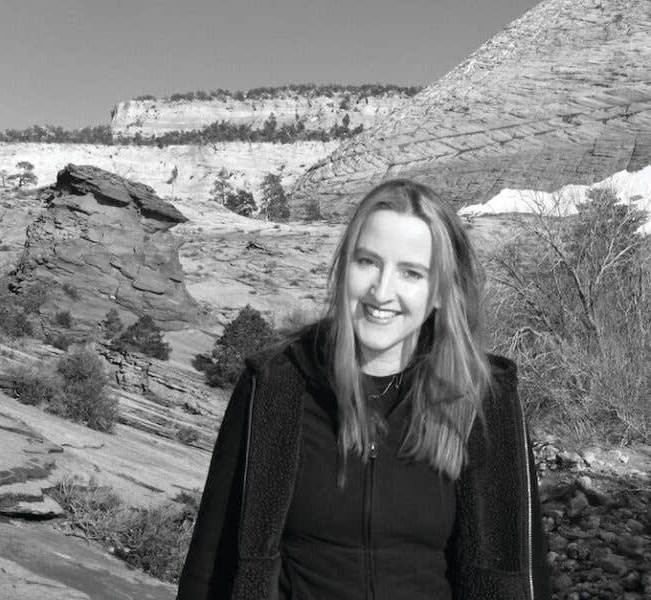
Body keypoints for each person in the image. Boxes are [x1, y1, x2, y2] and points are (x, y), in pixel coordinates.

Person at [177, 179, 550, 600]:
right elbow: (208, 567)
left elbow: (524, 576)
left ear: (442, 292)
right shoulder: (275, 387)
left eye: (411, 272)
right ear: (344, 268)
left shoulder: (483, 401)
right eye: (368, 262)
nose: (382, 291)